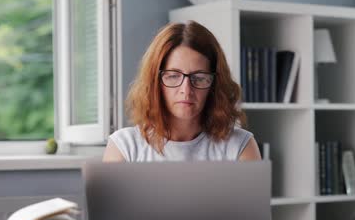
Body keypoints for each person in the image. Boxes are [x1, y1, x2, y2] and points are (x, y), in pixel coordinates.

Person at [103, 20, 261, 162]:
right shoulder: (124, 146)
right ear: (155, 82)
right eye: (173, 76)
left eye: (199, 78)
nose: (186, 90)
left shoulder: (240, 145)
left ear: (215, 84)